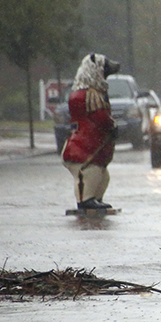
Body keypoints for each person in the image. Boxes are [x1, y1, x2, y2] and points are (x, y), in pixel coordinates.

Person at [62, 53, 120, 210]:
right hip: (83, 150)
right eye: (105, 67)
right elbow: (99, 117)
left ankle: (95, 199)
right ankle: (85, 200)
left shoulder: (94, 93)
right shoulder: (88, 96)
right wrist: (110, 125)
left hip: (94, 149)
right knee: (89, 174)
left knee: (102, 176)